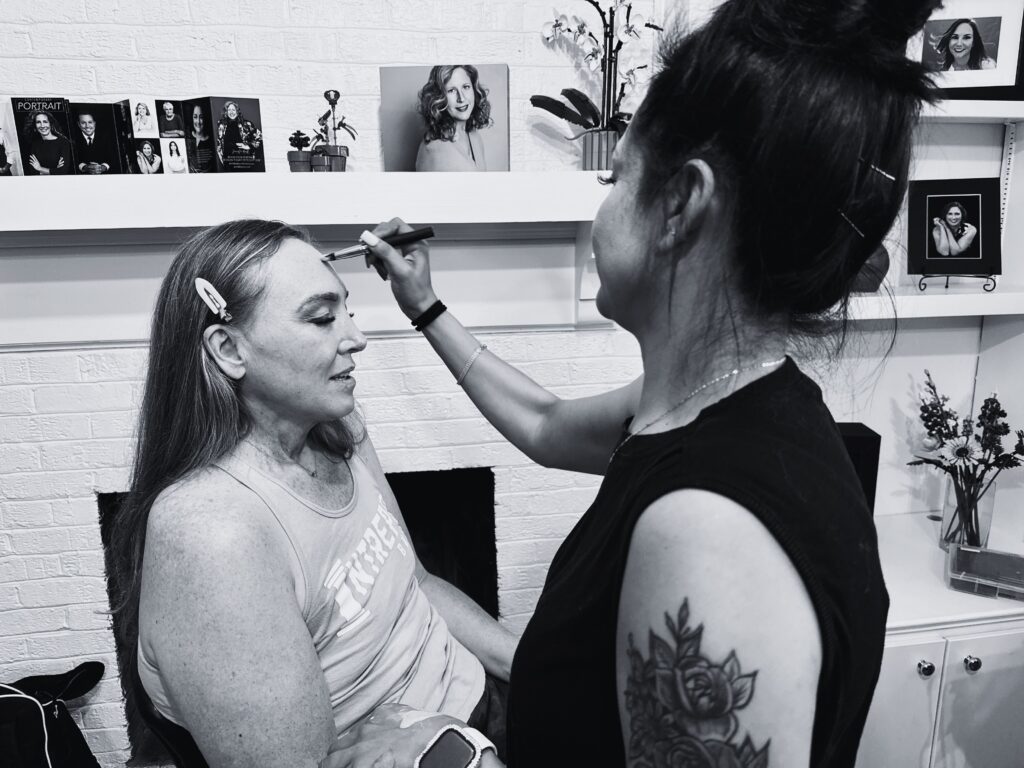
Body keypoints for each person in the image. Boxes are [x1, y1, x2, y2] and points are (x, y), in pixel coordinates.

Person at [333, 1, 943, 766]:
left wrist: (451, 756)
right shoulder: (704, 408)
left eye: (615, 177)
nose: (603, 208)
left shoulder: (708, 533)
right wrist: (424, 305)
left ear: (679, 204)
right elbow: (544, 424)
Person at [108, 220, 515, 767]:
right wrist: (461, 748)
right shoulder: (212, 532)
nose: (356, 338)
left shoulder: (337, 429)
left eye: (347, 310)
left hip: (475, 707)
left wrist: (530, 667)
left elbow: (417, 584)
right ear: (228, 348)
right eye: (322, 318)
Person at [414, 65, 492, 172]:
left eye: (466, 87)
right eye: (451, 90)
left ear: (474, 89)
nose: (461, 98)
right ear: (439, 97)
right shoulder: (434, 150)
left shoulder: (474, 135)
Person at [23, 110, 71, 175]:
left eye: (45, 122)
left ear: (50, 124)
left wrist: (40, 168)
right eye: (38, 122)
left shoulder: (63, 142)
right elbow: (33, 171)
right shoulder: (35, 144)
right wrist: (54, 171)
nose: (42, 125)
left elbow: (63, 171)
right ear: (35, 126)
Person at [215, 100, 262, 166]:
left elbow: (259, 137)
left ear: (237, 111)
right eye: (229, 110)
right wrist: (221, 158)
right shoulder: (221, 125)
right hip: (228, 163)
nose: (231, 112)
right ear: (226, 112)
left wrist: (249, 146)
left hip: (244, 162)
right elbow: (219, 142)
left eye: (233, 110)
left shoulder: (246, 124)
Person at [187, 103, 216, 173]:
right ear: (191, 118)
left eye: (201, 117)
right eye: (195, 117)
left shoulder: (212, 141)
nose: (198, 121)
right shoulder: (187, 136)